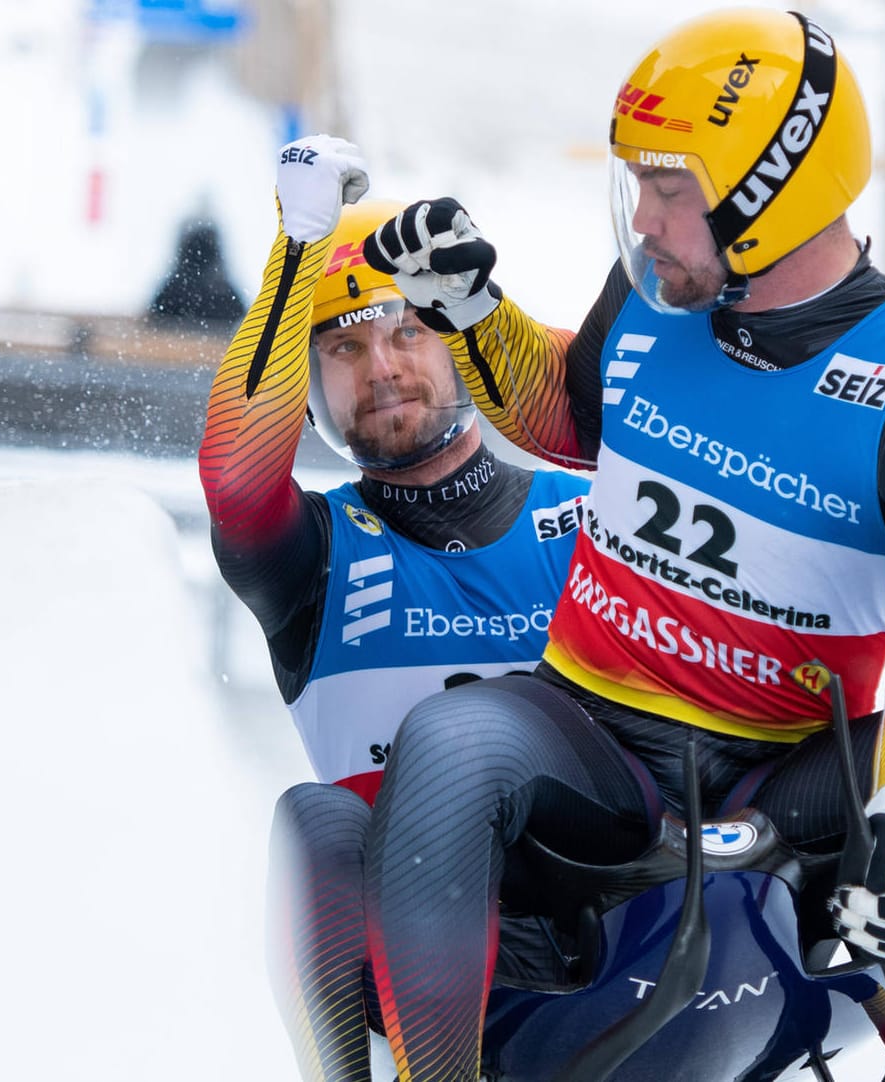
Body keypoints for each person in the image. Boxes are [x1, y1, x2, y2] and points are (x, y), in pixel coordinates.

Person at [357, 8, 885, 1080]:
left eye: (671, 189)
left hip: (786, 777)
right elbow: (576, 423)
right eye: (639, 183)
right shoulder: (653, 294)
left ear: (773, 192)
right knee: (448, 745)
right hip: (596, 737)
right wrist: (473, 315)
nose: (646, 216)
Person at [197, 139, 591, 1081]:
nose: (380, 367)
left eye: (406, 331)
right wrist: (298, 249)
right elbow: (236, 481)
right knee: (315, 824)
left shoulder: (587, 512)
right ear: (311, 385)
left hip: (615, 924)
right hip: (418, 958)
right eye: (342, 346)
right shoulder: (310, 549)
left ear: (454, 335)